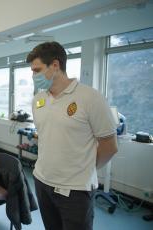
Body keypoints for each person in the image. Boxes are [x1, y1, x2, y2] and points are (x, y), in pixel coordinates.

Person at [26, 42, 118, 230]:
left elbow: (109, 146)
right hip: (42, 181)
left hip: (75, 190)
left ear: (55, 65)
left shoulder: (90, 98)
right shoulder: (38, 100)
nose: (33, 76)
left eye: (37, 70)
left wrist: (84, 169)